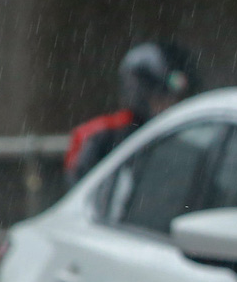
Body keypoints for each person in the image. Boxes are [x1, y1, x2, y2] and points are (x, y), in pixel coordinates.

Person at [63, 41, 199, 183]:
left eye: (174, 97)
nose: (170, 104)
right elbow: (82, 186)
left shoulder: (186, 132)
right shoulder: (105, 134)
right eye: (160, 97)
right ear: (141, 94)